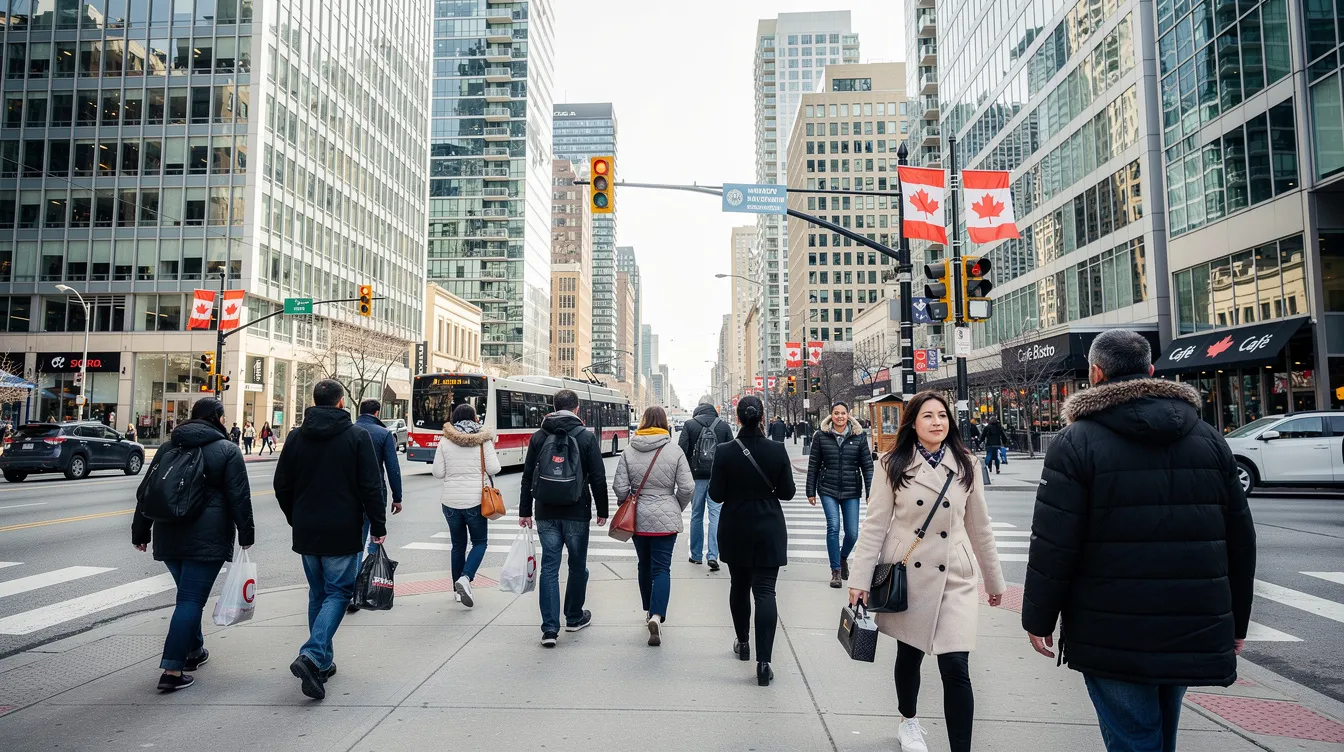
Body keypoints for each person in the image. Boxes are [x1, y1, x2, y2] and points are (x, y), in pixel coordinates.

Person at [1022, 329, 1256, 752]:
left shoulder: (1076, 442)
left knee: (1133, 736)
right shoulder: (1209, 439)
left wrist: (1038, 619)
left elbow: (1054, 544)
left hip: (1112, 624)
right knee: (1163, 732)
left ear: (1095, 373)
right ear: (1151, 370)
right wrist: (1237, 620)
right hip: (1192, 618)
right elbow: (1240, 539)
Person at [848, 391, 1006, 752]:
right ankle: (909, 720)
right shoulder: (892, 464)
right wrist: (859, 580)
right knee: (910, 654)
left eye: (942, 416)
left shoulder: (967, 463)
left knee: (956, 668)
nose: (937, 422)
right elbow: (874, 527)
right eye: (928, 416)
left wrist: (994, 580)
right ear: (913, 424)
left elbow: (980, 526)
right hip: (909, 574)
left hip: (955, 576)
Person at [274, 379, 386, 700]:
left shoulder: (296, 437)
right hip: (343, 528)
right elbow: (370, 486)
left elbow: (282, 484)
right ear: (340, 403)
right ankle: (311, 654)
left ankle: (322, 662)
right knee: (338, 593)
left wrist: (295, 516)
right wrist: (377, 525)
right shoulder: (356, 436)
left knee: (318, 593)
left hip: (307, 529)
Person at [132, 398, 253, 692]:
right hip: (207, 537)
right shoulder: (227, 450)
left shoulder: (167, 447)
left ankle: (194, 650)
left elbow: (148, 491)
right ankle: (172, 670)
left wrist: (140, 531)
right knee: (190, 600)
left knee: (187, 595)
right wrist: (246, 535)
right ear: (218, 418)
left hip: (168, 532)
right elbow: (239, 497)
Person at [709, 395, 796, 687]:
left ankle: (744, 643)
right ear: (762, 418)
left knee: (739, 584)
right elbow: (787, 493)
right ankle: (764, 662)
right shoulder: (777, 450)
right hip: (769, 526)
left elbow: (716, 495)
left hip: (735, 525)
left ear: (737, 416)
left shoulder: (724, 451)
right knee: (765, 592)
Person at [518, 389, 609, 648]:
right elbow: (598, 477)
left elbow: (527, 477)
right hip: (577, 511)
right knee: (577, 566)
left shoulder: (539, 436)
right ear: (577, 409)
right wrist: (602, 510)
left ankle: (549, 629)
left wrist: (525, 511)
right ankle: (574, 616)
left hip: (545, 510)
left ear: (553, 406)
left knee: (549, 567)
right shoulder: (586, 437)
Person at [613, 406, 694, 646]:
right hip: (666, 517)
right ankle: (657, 616)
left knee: (644, 565)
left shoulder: (629, 450)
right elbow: (688, 487)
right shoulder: (674, 451)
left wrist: (627, 501)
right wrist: (674, 506)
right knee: (662, 568)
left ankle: (648, 609)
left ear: (643, 422)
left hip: (638, 518)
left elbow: (619, 488)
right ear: (665, 423)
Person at [431, 402, 500, 608]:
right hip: (476, 501)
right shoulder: (483, 441)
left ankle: (456, 590)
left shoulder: (445, 440)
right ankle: (466, 578)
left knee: (458, 546)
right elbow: (494, 468)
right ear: (475, 418)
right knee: (479, 542)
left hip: (450, 502)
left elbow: (438, 473)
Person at [805, 401, 875, 588]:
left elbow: (867, 466)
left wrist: (871, 491)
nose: (840, 417)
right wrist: (810, 491)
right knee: (833, 527)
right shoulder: (821, 436)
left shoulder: (858, 436)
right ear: (831, 415)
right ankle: (835, 571)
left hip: (851, 490)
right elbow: (813, 465)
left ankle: (843, 557)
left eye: (843, 413)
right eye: (836, 413)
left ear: (848, 415)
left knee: (852, 533)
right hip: (827, 488)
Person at [346, 399, 404, 613]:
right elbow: (393, 468)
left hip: (351, 495)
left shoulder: (349, 430)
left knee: (356, 542)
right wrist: (397, 497)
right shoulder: (383, 434)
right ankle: (365, 587)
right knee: (374, 538)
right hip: (375, 493)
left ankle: (352, 590)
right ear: (378, 412)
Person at [677, 402, 733, 569]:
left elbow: (681, 450)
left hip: (696, 477)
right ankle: (713, 555)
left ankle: (695, 555)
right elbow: (732, 452)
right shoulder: (723, 426)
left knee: (696, 515)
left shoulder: (689, 425)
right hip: (718, 477)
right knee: (715, 515)